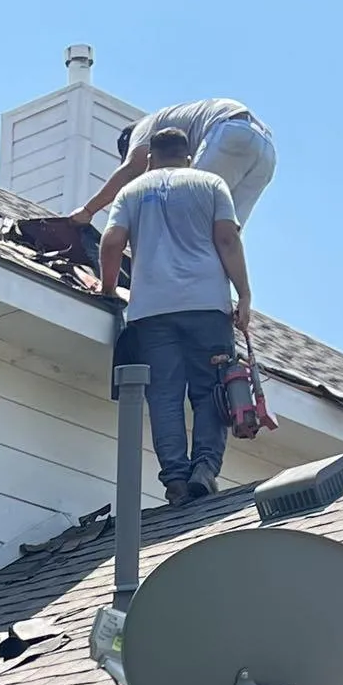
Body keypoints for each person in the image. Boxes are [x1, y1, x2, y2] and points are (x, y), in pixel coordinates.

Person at [99, 127, 252, 507]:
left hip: (151, 312)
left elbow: (112, 241)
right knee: (211, 391)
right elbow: (228, 240)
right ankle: (204, 470)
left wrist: (106, 287)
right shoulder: (210, 183)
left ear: (150, 158)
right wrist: (244, 294)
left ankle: (176, 480)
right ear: (188, 157)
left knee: (164, 395)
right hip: (206, 308)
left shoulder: (132, 191)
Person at [70, 98, 275, 232]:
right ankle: (217, 292)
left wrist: (88, 211)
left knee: (183, 211)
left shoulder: (144, 127)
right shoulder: (181, 133)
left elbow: (132, 168)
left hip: (230, 131)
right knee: (227, 230)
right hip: (265, 151)